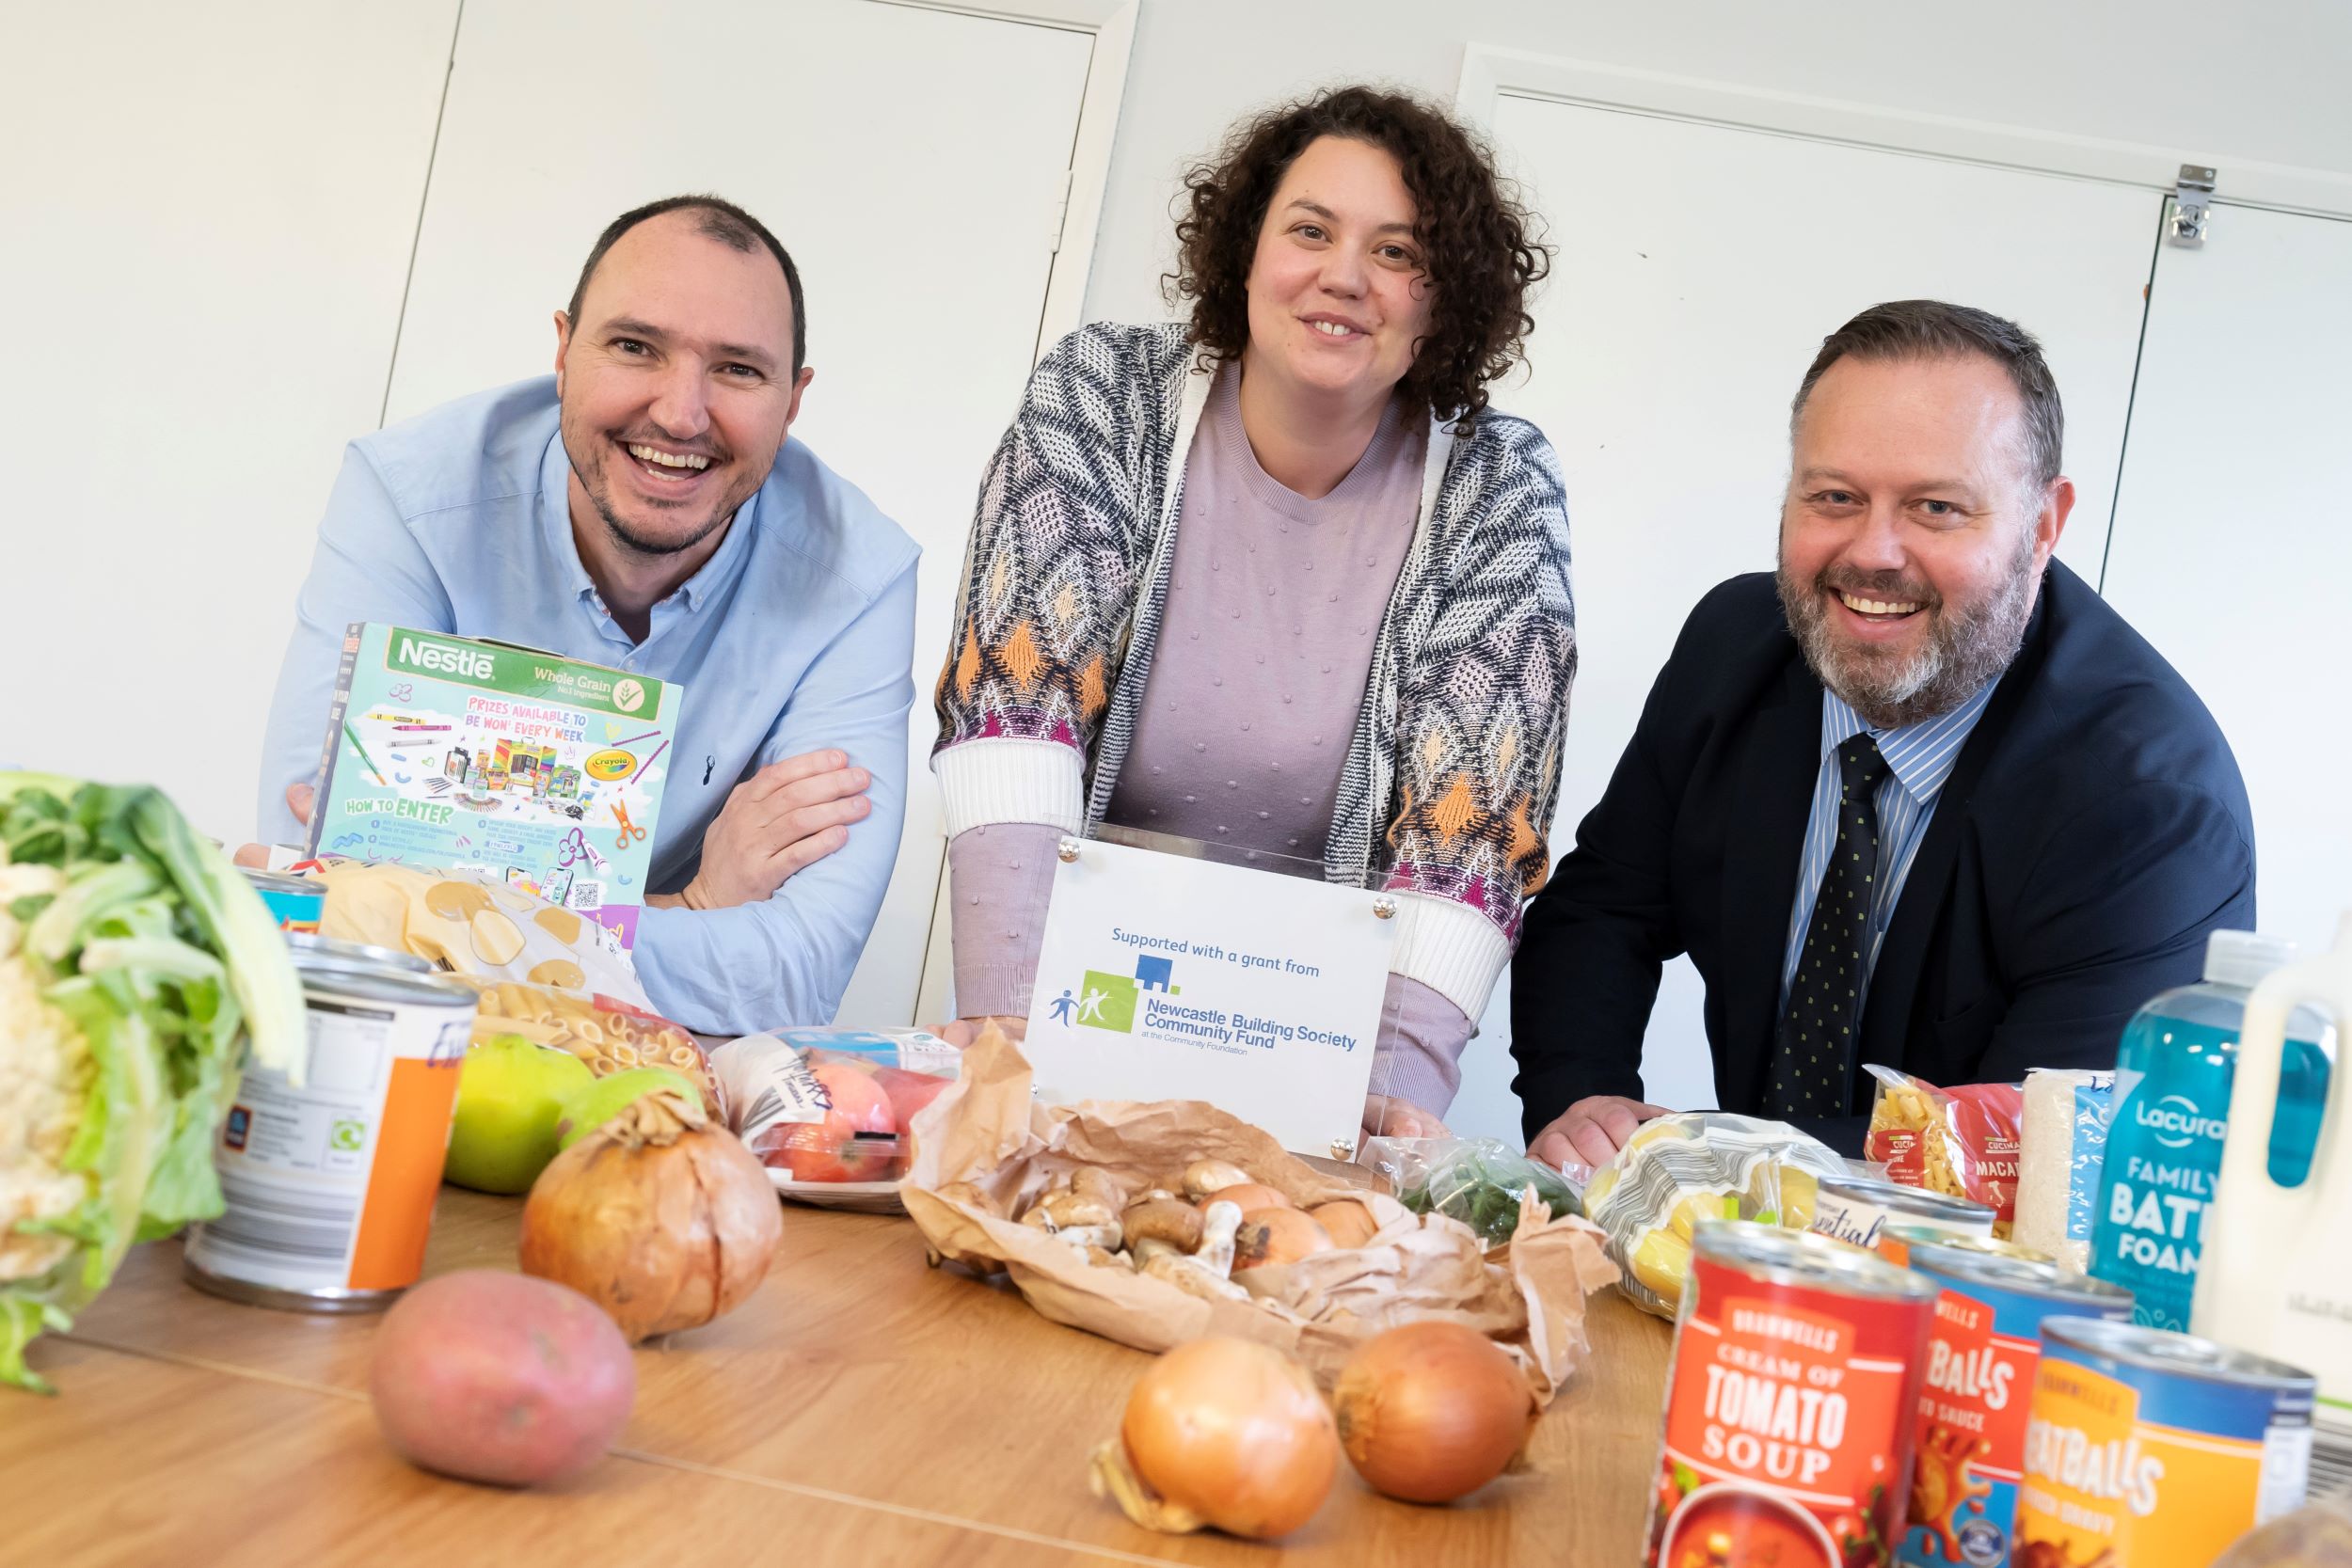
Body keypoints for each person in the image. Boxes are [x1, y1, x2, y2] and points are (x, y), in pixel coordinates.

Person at [930, 87, 1575, 1140]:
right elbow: (1016, 700)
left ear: (1442, 299)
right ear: (1245, 252)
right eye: (1310, 230)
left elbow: (1473, 814)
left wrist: (1391, 1095)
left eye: (1399, 252)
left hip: (1319, 1039)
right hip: (1075, 988)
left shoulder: (1496, 484)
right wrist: (1007, 1016)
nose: (1344, 276)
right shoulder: (1107, 393)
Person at [1512, 300, 2254, 1166]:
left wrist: (1690, 1161)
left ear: (2045, 525)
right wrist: (1582, 1112)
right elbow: (1604, 910)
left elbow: (2034, 1158)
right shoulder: (1734, 646)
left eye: (1937, 507)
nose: (1874, 553)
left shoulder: (2151, 807)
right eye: (1835, 496)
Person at [252, 195, 917, 1036]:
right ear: (564, 350)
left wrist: (427, 903)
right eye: (635, 347)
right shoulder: (411, 497)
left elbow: (796, 974)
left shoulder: (859, 578)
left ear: (792, 401)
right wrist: (694, 902)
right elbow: (306, 896)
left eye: (740, 369)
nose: (680, 413)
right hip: (389, 1043)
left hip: (649, 1075)